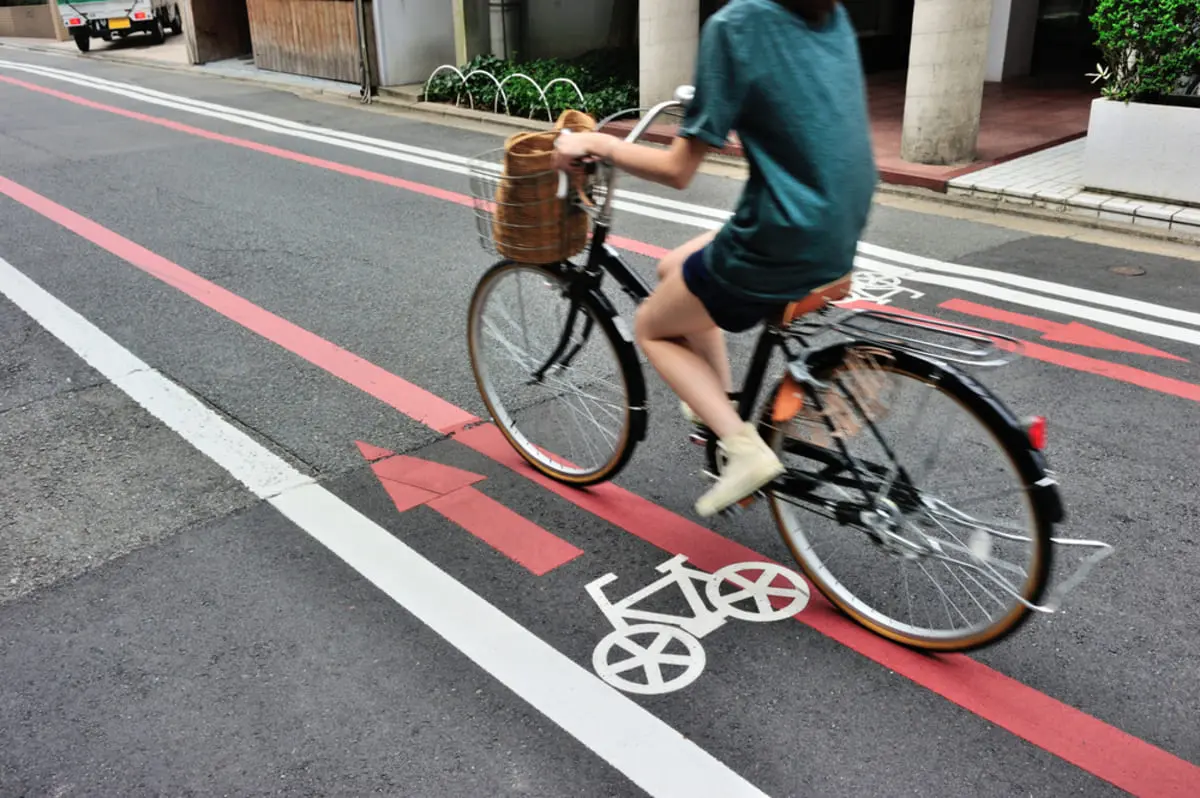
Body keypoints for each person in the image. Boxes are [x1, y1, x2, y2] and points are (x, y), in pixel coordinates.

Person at [553, 0, 878, 518]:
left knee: (653, 327)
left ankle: (743, 449)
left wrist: (596, 142)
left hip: (778, 236)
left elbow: (679, 169)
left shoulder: (736, 26)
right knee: (673, 268)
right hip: (839, 227)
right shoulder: (834, 14)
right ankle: (721, 403)